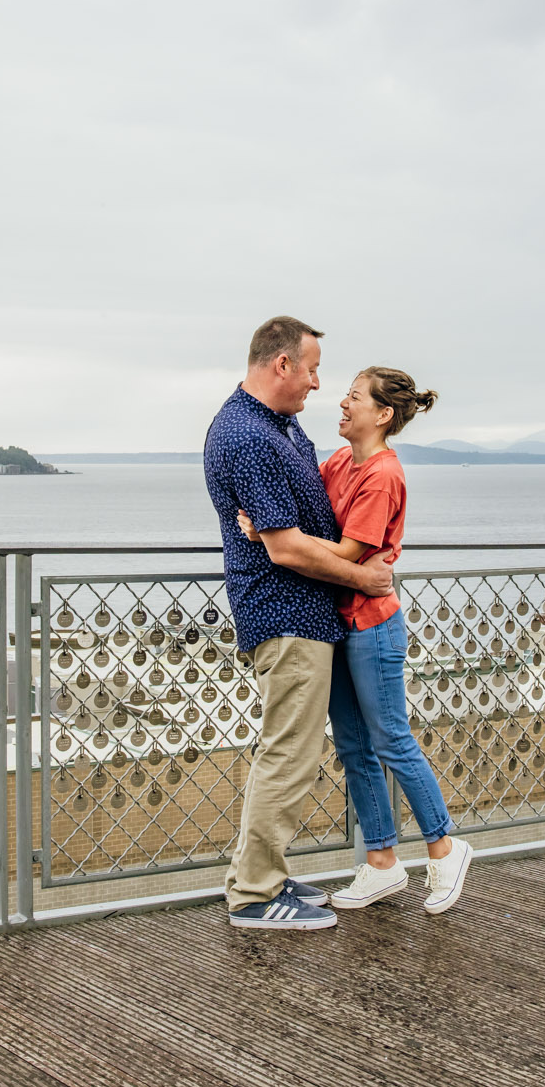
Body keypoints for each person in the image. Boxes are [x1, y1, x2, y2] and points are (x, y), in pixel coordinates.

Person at [240, 367, 472, 914]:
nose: (340, 404)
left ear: (383, 414)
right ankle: (382, 865)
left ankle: (444, 847)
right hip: (336, 623)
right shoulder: (342, 461)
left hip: (372, 626)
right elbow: (307, 513)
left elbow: (346, 556)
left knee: (391, 739)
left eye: (352, 398)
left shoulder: (383, 475)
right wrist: (271, 526)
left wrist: (280, 539)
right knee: (353, 748)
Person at [204, 317, 395, 930]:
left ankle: (263, 874)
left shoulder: (276, 426)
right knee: (289, 752)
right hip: (285, 612)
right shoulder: (248, 436)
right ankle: (255, 895)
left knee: (292, 748)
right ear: (281, 364)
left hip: (307, 611)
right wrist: (363, 579)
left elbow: (290, 520)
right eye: (311, 369)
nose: (318, 384)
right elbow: (285, 548)